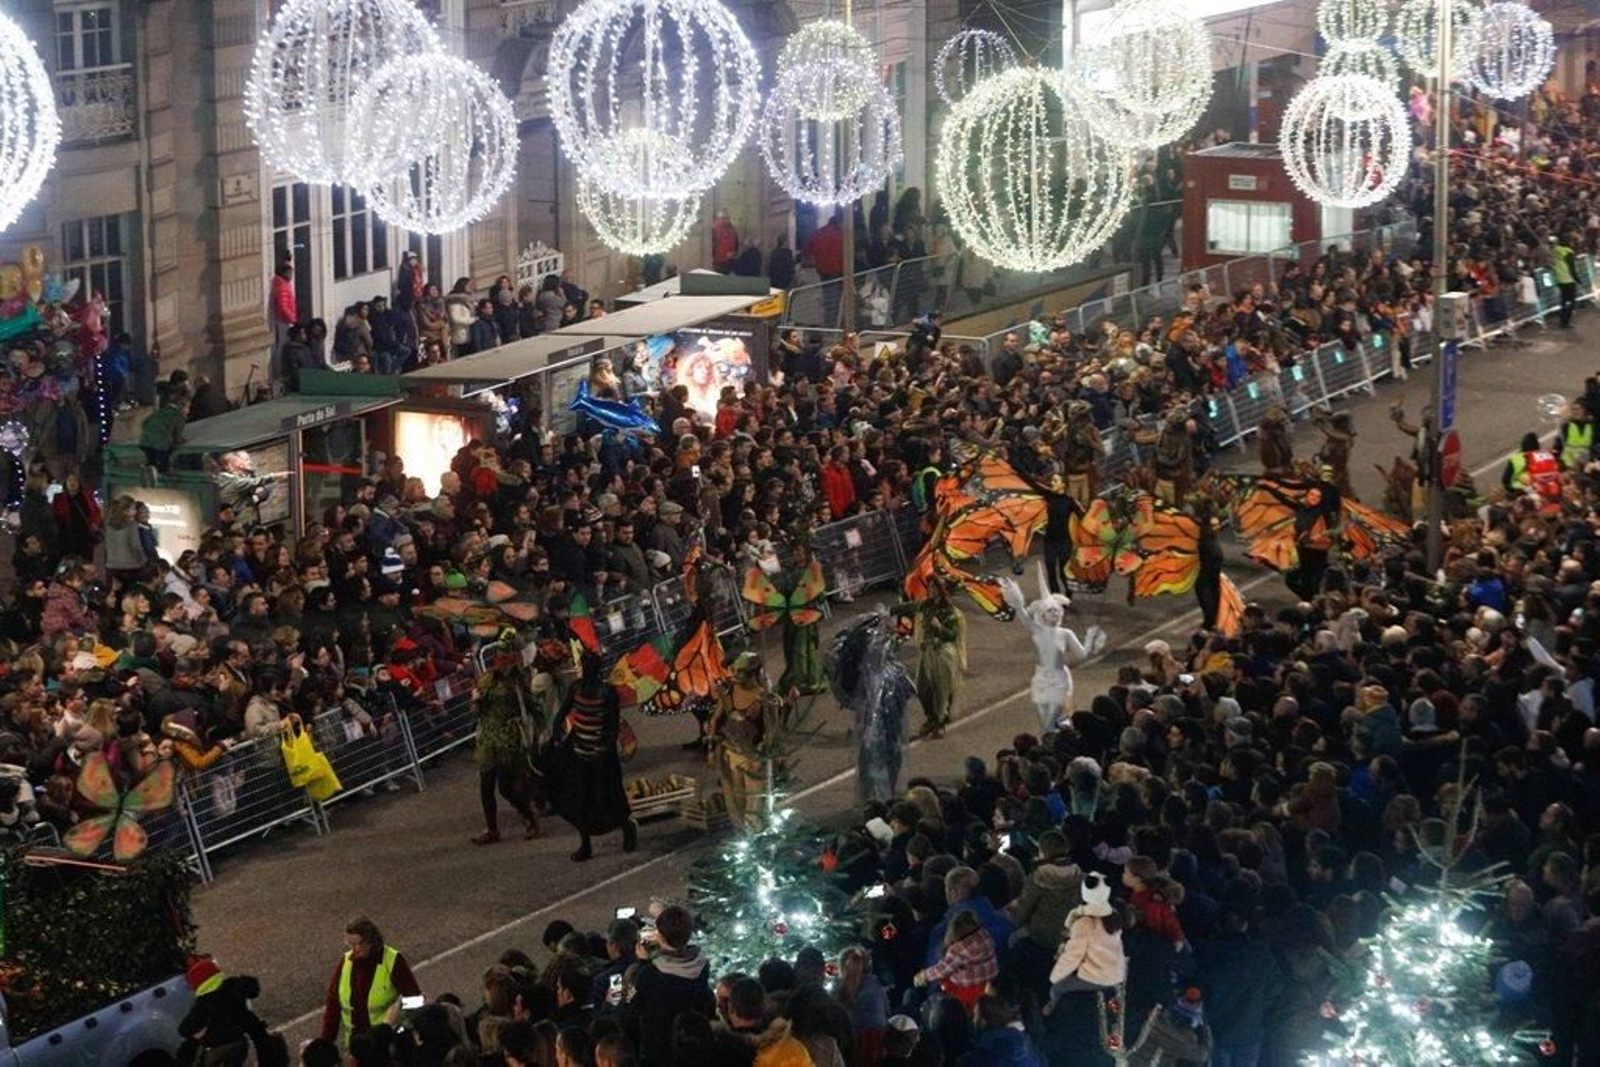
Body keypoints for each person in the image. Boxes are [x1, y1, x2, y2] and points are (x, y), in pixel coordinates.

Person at [549, 651, 638, 861]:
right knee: (581, 801)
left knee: (611, 796)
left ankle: (627, 827)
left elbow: (613, 724)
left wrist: (605, 750)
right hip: (580, 751)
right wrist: (556, 733)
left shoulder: (607, 692)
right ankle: (586, 845)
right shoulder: (577, 687)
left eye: (587, 666)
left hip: (601, 755)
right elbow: (562, 713)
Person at [470, 631, 543, 845]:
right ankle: (492, 829)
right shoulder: (485, 680)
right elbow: (476, 713)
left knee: (505, 787)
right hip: (488, 738)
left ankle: (529, 815)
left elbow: (533, 707)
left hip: (510, 739)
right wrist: (476, 700)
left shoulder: (519, 683)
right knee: (486, 786)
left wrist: (543, 729)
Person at [625, 905, 716, 1067]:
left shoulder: (649, 975)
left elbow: (628, 1005)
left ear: (660, 936)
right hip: (692, 1050)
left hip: (658, 1055)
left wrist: (641, 963)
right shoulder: (702, 966)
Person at [706, 652, 785, 831]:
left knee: (754, 803)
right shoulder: (728, 692)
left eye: (742, 672)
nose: (737, 676)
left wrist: (765, 748)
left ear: (754, 673)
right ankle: (744, 837)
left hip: (754, 759)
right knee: (736, 800)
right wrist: (711, 749)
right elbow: (715, 721)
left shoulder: (764, 698)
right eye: (735, 671)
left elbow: (772, 728)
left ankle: (757, 838)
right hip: (731, 755)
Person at [319, 917, 422, 1049]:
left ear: (371, 940)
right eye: (350, 944)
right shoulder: (346, 962)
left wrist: (397, 1016)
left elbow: (416, 1000)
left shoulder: (392, 961)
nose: (355, 949)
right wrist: (326, 1042)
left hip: (386, 1045)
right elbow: (333, 1003)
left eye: (359, 944)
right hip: (356, 1045)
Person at [178, 956, 284, 1067]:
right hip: (239, 1042)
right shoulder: (233, 987)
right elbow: (253, 989)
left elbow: (184, 1030)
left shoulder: (203, 1003)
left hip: (216, 1047)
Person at [905, 578, 964, 739]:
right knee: (922, 688)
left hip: (942, 652)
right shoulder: (926, 605)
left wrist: (940, 627)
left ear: (941, 590)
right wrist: (888, 611)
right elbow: (911, 606)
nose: (930, 590)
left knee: (941, 689)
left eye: (934, 588)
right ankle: (930, 716)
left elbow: (952, 634)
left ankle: (940, 722)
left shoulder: (949, 611)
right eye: (929, 587)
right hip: (927, 652)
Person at [269, 260, 297, 381]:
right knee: (280, 347)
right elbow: (283, 306)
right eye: (289, 272)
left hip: (282, 319)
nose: (291, 275)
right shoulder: (282, 286)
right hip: (283, 320)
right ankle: (277, 373)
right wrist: (293, 319)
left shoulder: (281, 284)